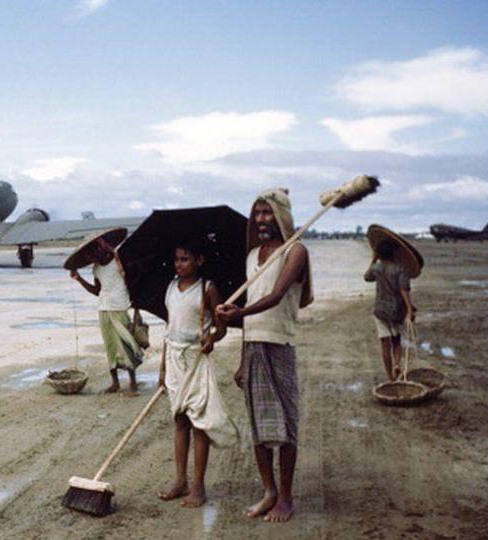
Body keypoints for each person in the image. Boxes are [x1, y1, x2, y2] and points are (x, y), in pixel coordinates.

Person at [215, 188, 313, 523]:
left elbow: (277, 294)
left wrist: (236, 314)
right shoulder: (252, 256)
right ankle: (268, 491)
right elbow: (251, 315)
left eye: (268, 213)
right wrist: (242, 358)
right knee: (259, 426)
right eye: (257, 214)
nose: (261, 220)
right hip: (254, 344)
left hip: (279, 344)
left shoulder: (295, 251)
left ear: (282, 215)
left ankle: (285, 497)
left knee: (286, 426)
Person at [156, 242, 239, 508]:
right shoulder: (171, 287)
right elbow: (169, 329)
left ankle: (198, 486)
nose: (179, 264)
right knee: (180, 421)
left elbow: (222, 327)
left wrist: (213, 339)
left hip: (196, 359)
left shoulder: (207, 289)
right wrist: (162, 367)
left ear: (199, 260)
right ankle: (180, 480)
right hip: (174, 360)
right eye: (176, 259)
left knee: (199, 422)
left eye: (185, 259)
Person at [70, 238, 144, 395]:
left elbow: (131, 276)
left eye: (92, 255)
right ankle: (115, 382)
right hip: (104, 308)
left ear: (99, 249)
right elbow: (97, 291)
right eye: (89, 258)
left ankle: (133, 383)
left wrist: (111, 251)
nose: (91, 259)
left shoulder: (118, 261)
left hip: (119, 307)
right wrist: (79, 279)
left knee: (126, 344)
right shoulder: (96, 269)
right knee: (110, 346)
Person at [364, 240, 417, 380]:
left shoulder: (377, 268)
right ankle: (397, 364)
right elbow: (404, 290)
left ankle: (389, 377)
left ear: (379, 254)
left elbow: (366, 277)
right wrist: (410, 309)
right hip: (397, 311)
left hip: (381, 311)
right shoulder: (401, 269)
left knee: (384, 344)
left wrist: (373, 259)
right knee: (396, 341)